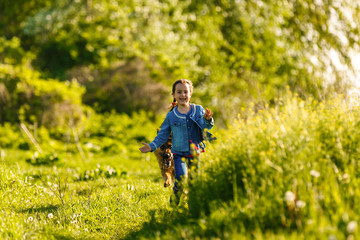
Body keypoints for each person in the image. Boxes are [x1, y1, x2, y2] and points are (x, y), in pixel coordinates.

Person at [139, 79, 214, 205]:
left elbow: (205, 127)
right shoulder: (171, 116)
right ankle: (177, 193)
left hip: (195, 152)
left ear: (190, 93)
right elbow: (162, 135)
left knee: (193, 181)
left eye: (186, 92)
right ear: (173, 94)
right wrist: (152, 146)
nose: (183, 95)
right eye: (179, 92)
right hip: (179, 154)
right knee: (180, 178)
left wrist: (208, 119)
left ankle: (193, 205)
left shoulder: (198, 110)